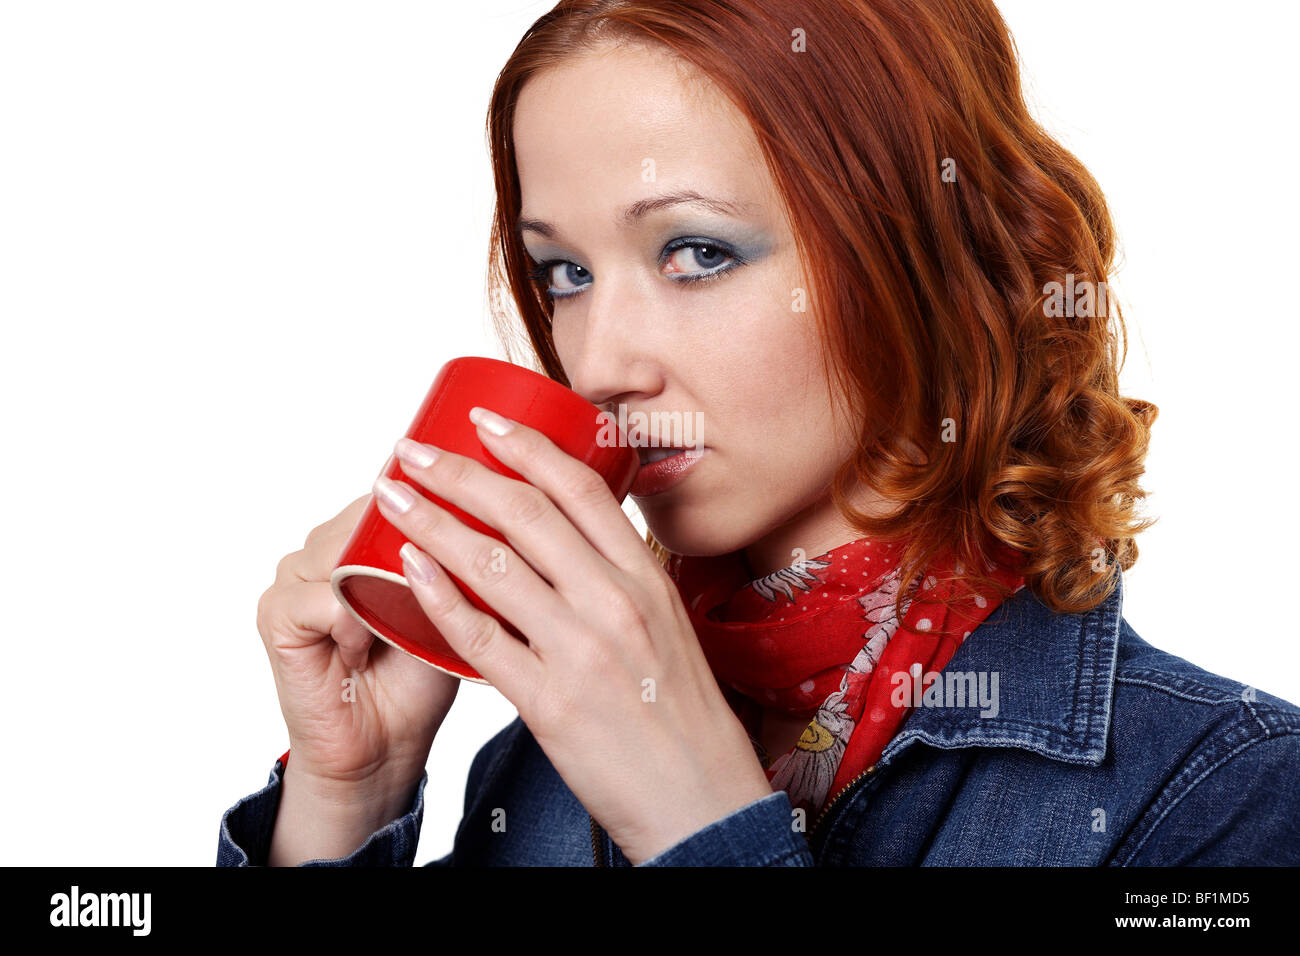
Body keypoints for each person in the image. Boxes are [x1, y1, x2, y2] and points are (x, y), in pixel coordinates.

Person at [217, 0, 1300, 866]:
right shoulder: (544, 757)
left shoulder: (1225, 788)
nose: (597, 364)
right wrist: (345, 799)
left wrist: (701, 828)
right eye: (566, 273)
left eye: (696, 252)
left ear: (921, 255)